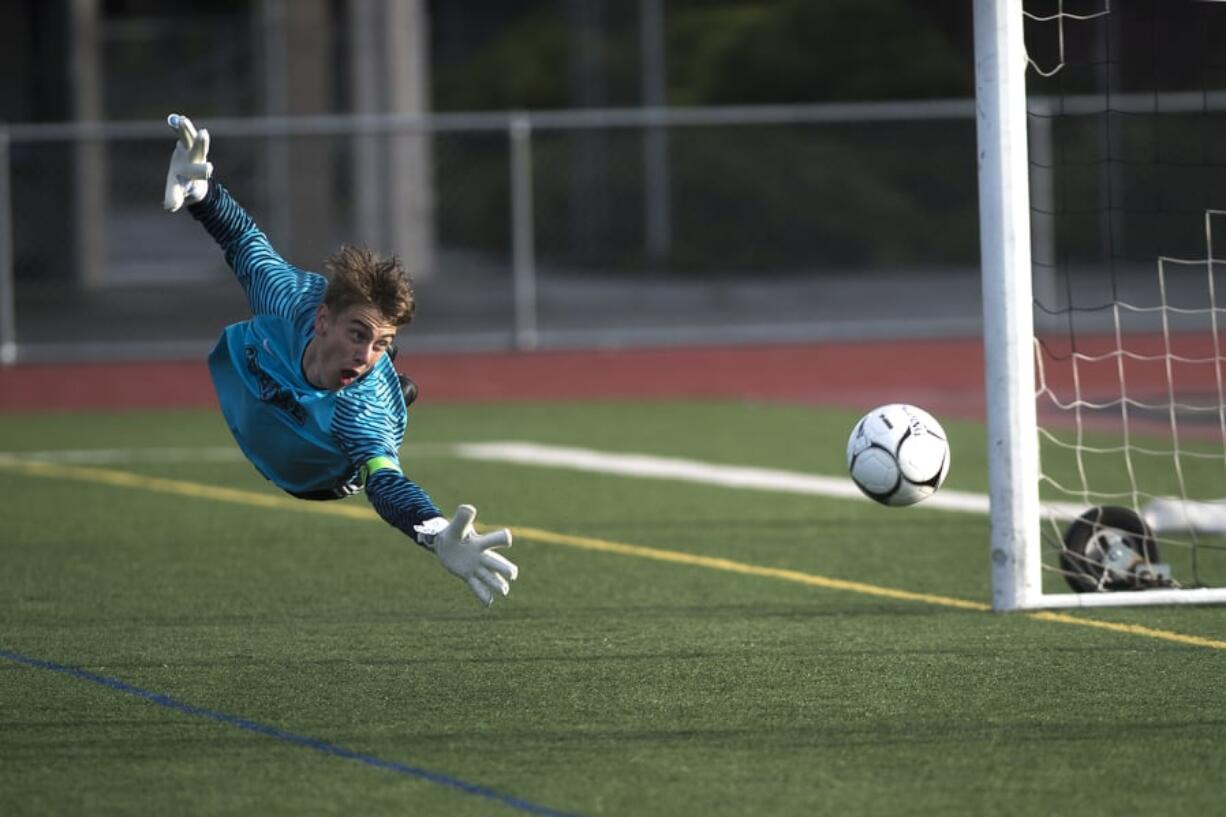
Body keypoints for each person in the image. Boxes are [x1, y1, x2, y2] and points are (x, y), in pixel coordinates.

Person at [162, 113, 517, 607]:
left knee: (372, 416)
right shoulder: (292, 301)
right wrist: (201, 192)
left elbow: (388, 485)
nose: (365, 355)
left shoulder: (362, 412)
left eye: (379, 344)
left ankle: (403, 389)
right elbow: (244, 242)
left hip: (316, 473)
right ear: (324, 319)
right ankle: (403, 382)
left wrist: (435, 531)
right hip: (261, 382)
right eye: (359, 335)